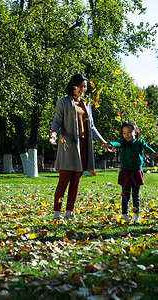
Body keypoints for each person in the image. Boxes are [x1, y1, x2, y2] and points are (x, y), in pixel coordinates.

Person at [49, 74, 108, 221]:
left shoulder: (86, 104)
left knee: (76, 181)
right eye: (81, 86)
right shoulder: (63, 102)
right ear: (73, 86)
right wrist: (54, 135)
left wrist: (103, 142)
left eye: (85, 87)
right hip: (68, 145)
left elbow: (92, 127)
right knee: (64, 181)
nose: (83, 89)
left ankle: (69, 213)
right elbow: (57, 121)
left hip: (83, 145)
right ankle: (57, 213)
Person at [106, 121, 155, 224]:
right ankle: (125, 215)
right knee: (125, 195)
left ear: (135, 132)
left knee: (136, 195)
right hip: (126, 172)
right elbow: (117, 143)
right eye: (124, 133)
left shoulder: (139, 142)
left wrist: (156, 154)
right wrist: (111, 144)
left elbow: (148, 149)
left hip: (136, 172)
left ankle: (136, 215)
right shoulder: (124, 143)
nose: (126, 135)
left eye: (129, 132)